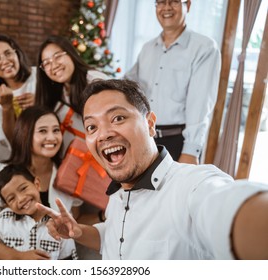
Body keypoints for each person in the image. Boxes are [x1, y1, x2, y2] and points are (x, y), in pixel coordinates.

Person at [38, 79, 268, 260]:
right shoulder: (119, 191)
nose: (104, 133)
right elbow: (117, 236)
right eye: (91, 126)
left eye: (117, 118)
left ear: (150, 124)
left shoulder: (193, 185)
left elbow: (227, 208)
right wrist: (80, 231)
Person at [0, 106, 80, 259]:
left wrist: (103, 215)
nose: (52, 137)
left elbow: (75, 221)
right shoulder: (0, 173)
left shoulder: (68, 174)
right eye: (42, 131)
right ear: (25, 135)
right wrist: (17, 257)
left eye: (56, 130)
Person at [124, 0, 221, 164]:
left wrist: (191, 150)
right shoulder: (147, 48)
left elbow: (200, 104)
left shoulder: (204, 48)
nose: (167, 7)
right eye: (161, 2)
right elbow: (128, 84)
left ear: (187, 5)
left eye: (174, 1)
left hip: (177, 142)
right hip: (144, 137)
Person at [35, 35, 109, 152]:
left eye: (58, 56)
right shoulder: (61, 90)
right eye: (46, 63)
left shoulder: (94, 81)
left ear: (70, 54)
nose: (54, 65)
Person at [0, 164, 77, 260]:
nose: (21, 199)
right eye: (11, 198)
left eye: (23, 188)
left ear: (37, 184)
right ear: (7, 205)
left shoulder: (60, 224)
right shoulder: (3, 220)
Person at [0, 34, 36, 161]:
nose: (5, 61)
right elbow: (6, 141)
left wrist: (41, 99)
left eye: (8, 53)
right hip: (23, 155)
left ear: (17, 54)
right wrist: (7, 108)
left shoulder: (38, 76)